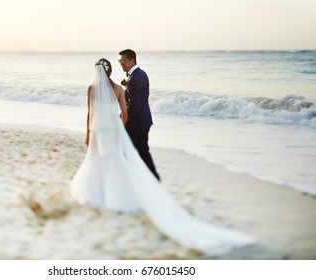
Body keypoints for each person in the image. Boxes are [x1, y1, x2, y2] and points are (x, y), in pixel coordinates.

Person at [70, 58, 253, 255]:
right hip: (111, 130)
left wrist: (88, 133)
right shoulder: (118, 90)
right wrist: (120, 128)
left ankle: (98, 194)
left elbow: (90, 114)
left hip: (97, 129)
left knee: (98, 160)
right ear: (111, 70)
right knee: (115, 161)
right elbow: (124, 114)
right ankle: (118, 196)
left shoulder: (91, 89)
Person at [118, 49, 160, 180]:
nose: (121, 64)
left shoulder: (133, 79)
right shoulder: (142, 73)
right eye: (120, 61)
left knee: (127, 152)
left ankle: (131, 180)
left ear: (132, 60)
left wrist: (123, 118)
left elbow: (134, 105)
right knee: (143, 152)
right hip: (145, 120)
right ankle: (154, 178)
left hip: (135, 123)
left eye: (123, 61)